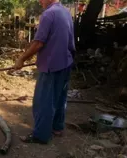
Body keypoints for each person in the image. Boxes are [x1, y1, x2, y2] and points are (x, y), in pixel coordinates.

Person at [13, 0, 75, 144]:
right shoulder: (66, 12)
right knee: (59, 97)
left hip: (51, 66)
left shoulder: (48, 14)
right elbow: (67, 41)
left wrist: (21, 59)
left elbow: (38, 43)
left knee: (43, 101)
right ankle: (57, 128)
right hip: (66, 63)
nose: (40, 1)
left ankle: (41, 136)